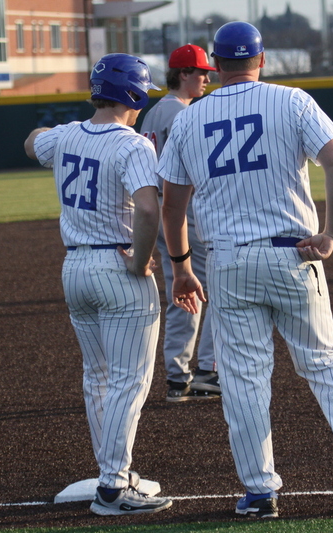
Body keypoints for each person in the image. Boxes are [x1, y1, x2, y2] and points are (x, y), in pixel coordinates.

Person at [158, 22, 333, 518]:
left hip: (229, 261)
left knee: (243, 380)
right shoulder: (293, 100)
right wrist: (330, 235)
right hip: (294, 253)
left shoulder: (189, 119)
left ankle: (261, 492)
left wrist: (180, 268)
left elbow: (172, 208)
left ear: (215, 65)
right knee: (325, 363)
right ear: (261, 60)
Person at [23, 53, 172, 516]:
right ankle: (112, 487)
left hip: (75, 268)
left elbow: (31, 143)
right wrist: (143, 261)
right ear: (137, 93)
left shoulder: (67, 134)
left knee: (98, 378)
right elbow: (149, 210)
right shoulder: (133, 145)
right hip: (117, 265)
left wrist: (50, 133)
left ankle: (114, 473)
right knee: (130, 380)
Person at [139, 44, 221, 402]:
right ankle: (208, 369)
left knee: (181, 291)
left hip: (157, 209)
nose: (206, 78)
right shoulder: (183, 115)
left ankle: (177, 376)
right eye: (201, 72)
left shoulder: (153, 114)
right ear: (183, 74)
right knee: (219, 285)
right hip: (184, 210)